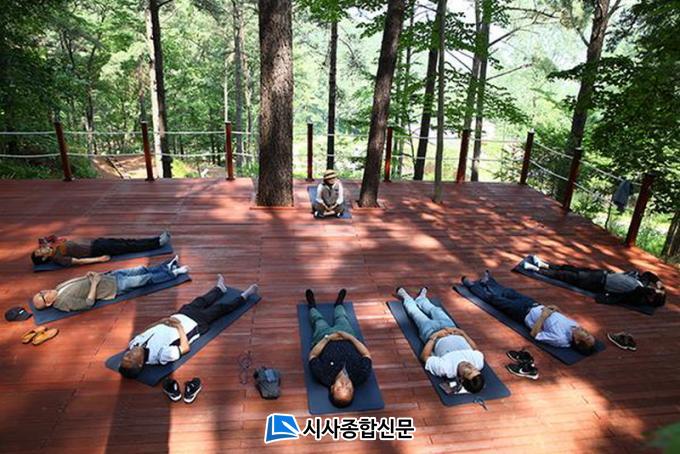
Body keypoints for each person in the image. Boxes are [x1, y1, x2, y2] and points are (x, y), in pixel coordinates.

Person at [118, 275, 259, 378]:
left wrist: (161, 321)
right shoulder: (160, 356)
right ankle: (245, 296)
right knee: (220, 309)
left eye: (125, 356)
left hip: (178, 316)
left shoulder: (133, 344)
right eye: (130, 358)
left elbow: (147, 330)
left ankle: (219, 289)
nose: (128, 353)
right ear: (140, 363)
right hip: (194, 324)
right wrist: (178, 326)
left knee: (200, 301)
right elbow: (185, 348)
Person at [462, 271, 597, 355]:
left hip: (523, 313)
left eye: (585, 335)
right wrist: (555, 309)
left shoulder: (560, 339)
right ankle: (488, 282)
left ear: (577, 341)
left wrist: (543, 316)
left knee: (495, 299)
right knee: (508, 292)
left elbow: (535, 334)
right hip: (534, 305)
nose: (585, 330)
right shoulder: (575, 326)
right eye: (588, 333)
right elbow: (560, 317)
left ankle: (473, 286)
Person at [397, 287, 485, 393]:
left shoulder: (446, 369)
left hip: (431, 332)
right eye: (475, 370)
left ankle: (406, 297)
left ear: (461, 379)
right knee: (436, 310)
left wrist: (434, 336)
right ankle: (421, 299)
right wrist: (462, 333)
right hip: (451, 328)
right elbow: (475, 348)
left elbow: (424, 357)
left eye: (468, 372)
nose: (470, 366)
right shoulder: (479, 362)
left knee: (415, 313)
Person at [32, 256, 189, 312]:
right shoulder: (63, 302)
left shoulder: (58, 288)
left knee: (140, 269)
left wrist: (89, 276)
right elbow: (87, 304)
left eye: (40, 292)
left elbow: (79, 283)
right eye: (43, 297)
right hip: (112, 287)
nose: (44, 292)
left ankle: (166, 266)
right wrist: (94, 284)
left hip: (108, 276)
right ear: (48, 304)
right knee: (145, 279)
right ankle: (173, 273)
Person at [306, 288, 372, 408]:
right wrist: (350, 338)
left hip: (324, 337)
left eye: (339, 388)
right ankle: (339, 303)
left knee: (318, 320)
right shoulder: (361, 374)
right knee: (341, 317)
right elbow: (366, 354)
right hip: (346, 335)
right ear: (353, 389)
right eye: (348, 388)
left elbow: (313, 355)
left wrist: (327, 338)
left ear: (332, 388)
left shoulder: (324, 375)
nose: (344, 384)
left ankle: (311, 305)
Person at [522, 254, 666, 307]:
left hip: (597, 282)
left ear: (651, 297)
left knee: (567, 276)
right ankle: (543, 265)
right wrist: (659, 283)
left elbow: (638, 293)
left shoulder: (637, 295)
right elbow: (648, 274)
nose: (655, 288)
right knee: (572, 269)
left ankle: (536, 269)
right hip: (602, 274)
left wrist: (655, 291)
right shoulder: (642, 284)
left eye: (656, 291)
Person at [31, 231, 172, 267]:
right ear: (44, 258)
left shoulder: (54, 247)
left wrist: (47, 242)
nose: (41, 249)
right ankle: (157, 243)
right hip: (97, 249)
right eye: (40, 252)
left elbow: (46, 239)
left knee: (128, 242)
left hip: (96, 242)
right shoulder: (58, 258)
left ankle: (155, 239)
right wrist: (99, 259)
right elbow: (78, 261)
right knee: (129, 246)